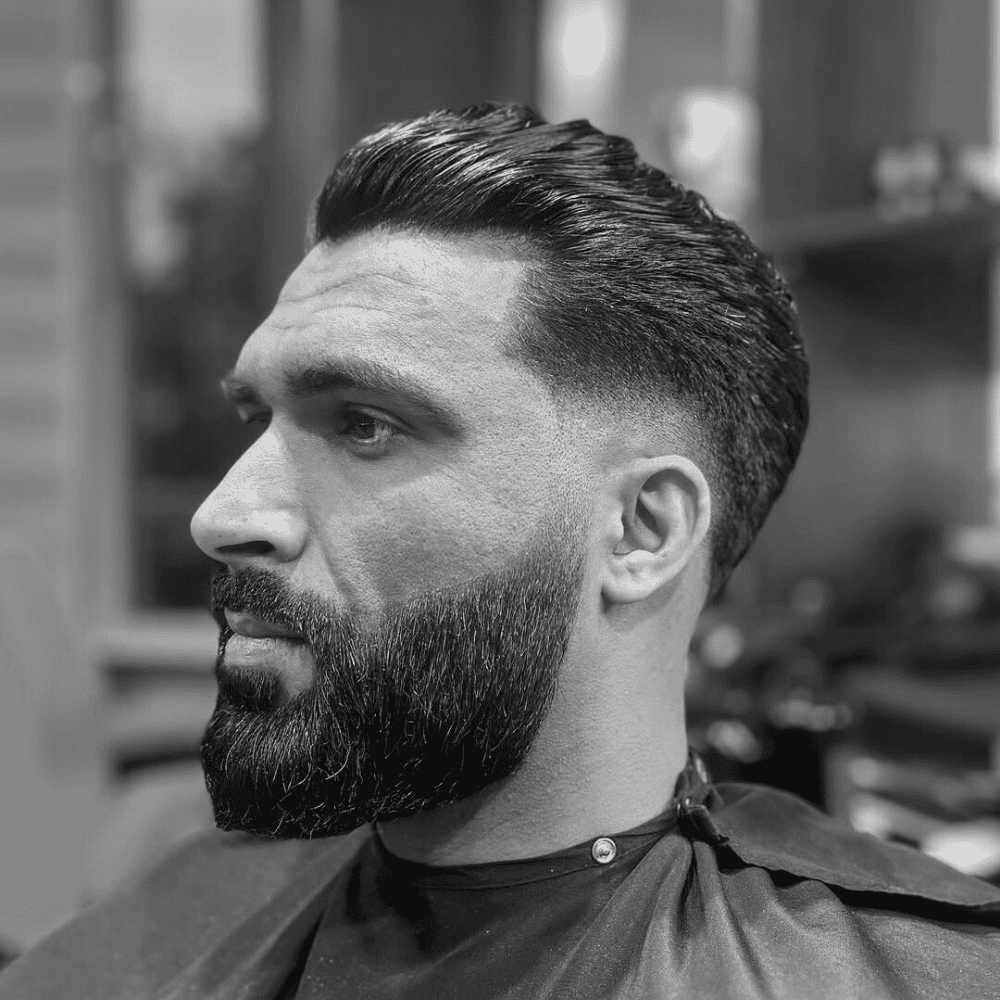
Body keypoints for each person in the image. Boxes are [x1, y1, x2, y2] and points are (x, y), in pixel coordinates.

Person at [4, 103, 998, 1000]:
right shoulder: (154, 935)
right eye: (256, 417)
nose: (223, 512)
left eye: (362, 425)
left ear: (641, 530)